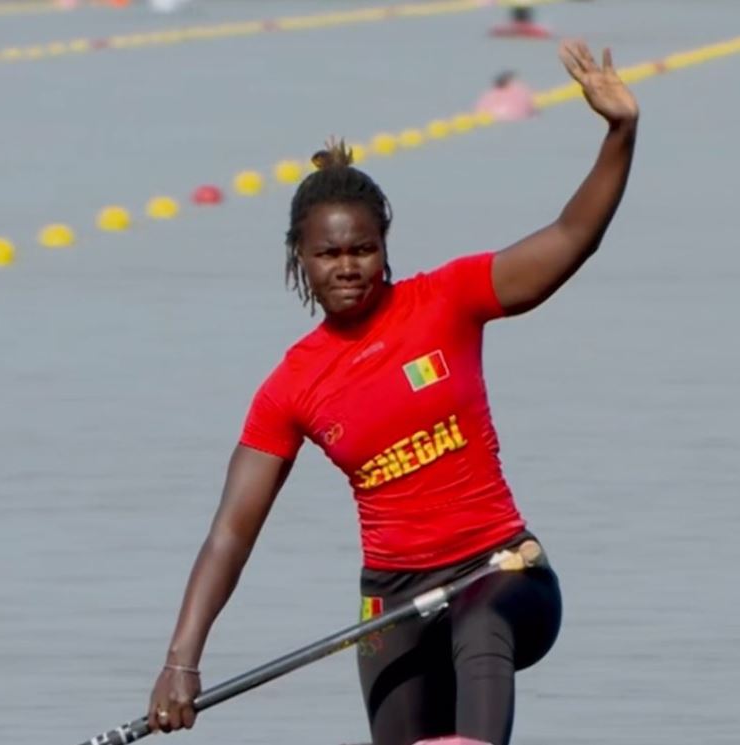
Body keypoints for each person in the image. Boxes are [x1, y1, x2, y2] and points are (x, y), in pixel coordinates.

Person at [146, 39, 638, 745]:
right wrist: (179, 661)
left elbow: (570, 237)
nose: (346, 267)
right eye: (327, 254)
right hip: (392, 602)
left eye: (361, 249)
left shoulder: (448, 300)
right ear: (300, 260)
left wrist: (620, 133)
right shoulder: (290, 385)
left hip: (501, 573)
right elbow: (230, 531)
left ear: (384, 245)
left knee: (479, 623)